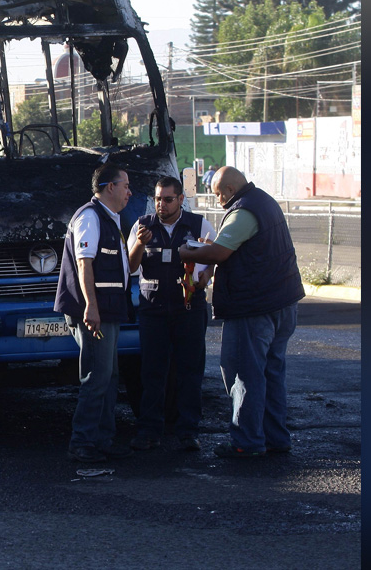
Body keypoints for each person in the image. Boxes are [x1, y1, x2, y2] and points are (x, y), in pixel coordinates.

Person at [179, 166, 305, 458]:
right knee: (271, 373)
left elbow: (220, 253)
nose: (218, 199)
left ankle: (246, 442)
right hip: (284, 303)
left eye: (219, 194)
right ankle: (275, 438)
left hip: (254, 308)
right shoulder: (265, 201)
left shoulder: (243, 210)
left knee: (243, 374)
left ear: (231, 190)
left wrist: (188, 254)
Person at [126, 176, 217, 452]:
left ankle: (188, 431)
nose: (161, 205)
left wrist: (204, 278)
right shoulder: (143, 224)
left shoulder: (198, 225)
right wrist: (140, 244)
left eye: (167, 199)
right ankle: (149, 430)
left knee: (190, 371)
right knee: (152, 372)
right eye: (157, 199)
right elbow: (129, 267)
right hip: (153, 310)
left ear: (180, 199)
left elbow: (212, 262)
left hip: (188, 309)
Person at [53, 163, 134, 463]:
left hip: (109, 309)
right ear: (109, 187)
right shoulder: (90, 217)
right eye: (125, 185)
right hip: (96, 311)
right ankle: (83, 441)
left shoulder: (110, 218)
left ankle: (103, 438)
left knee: (109, 376)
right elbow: (85, 264)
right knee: (96, 377)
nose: (129, 191)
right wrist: (91, 306)